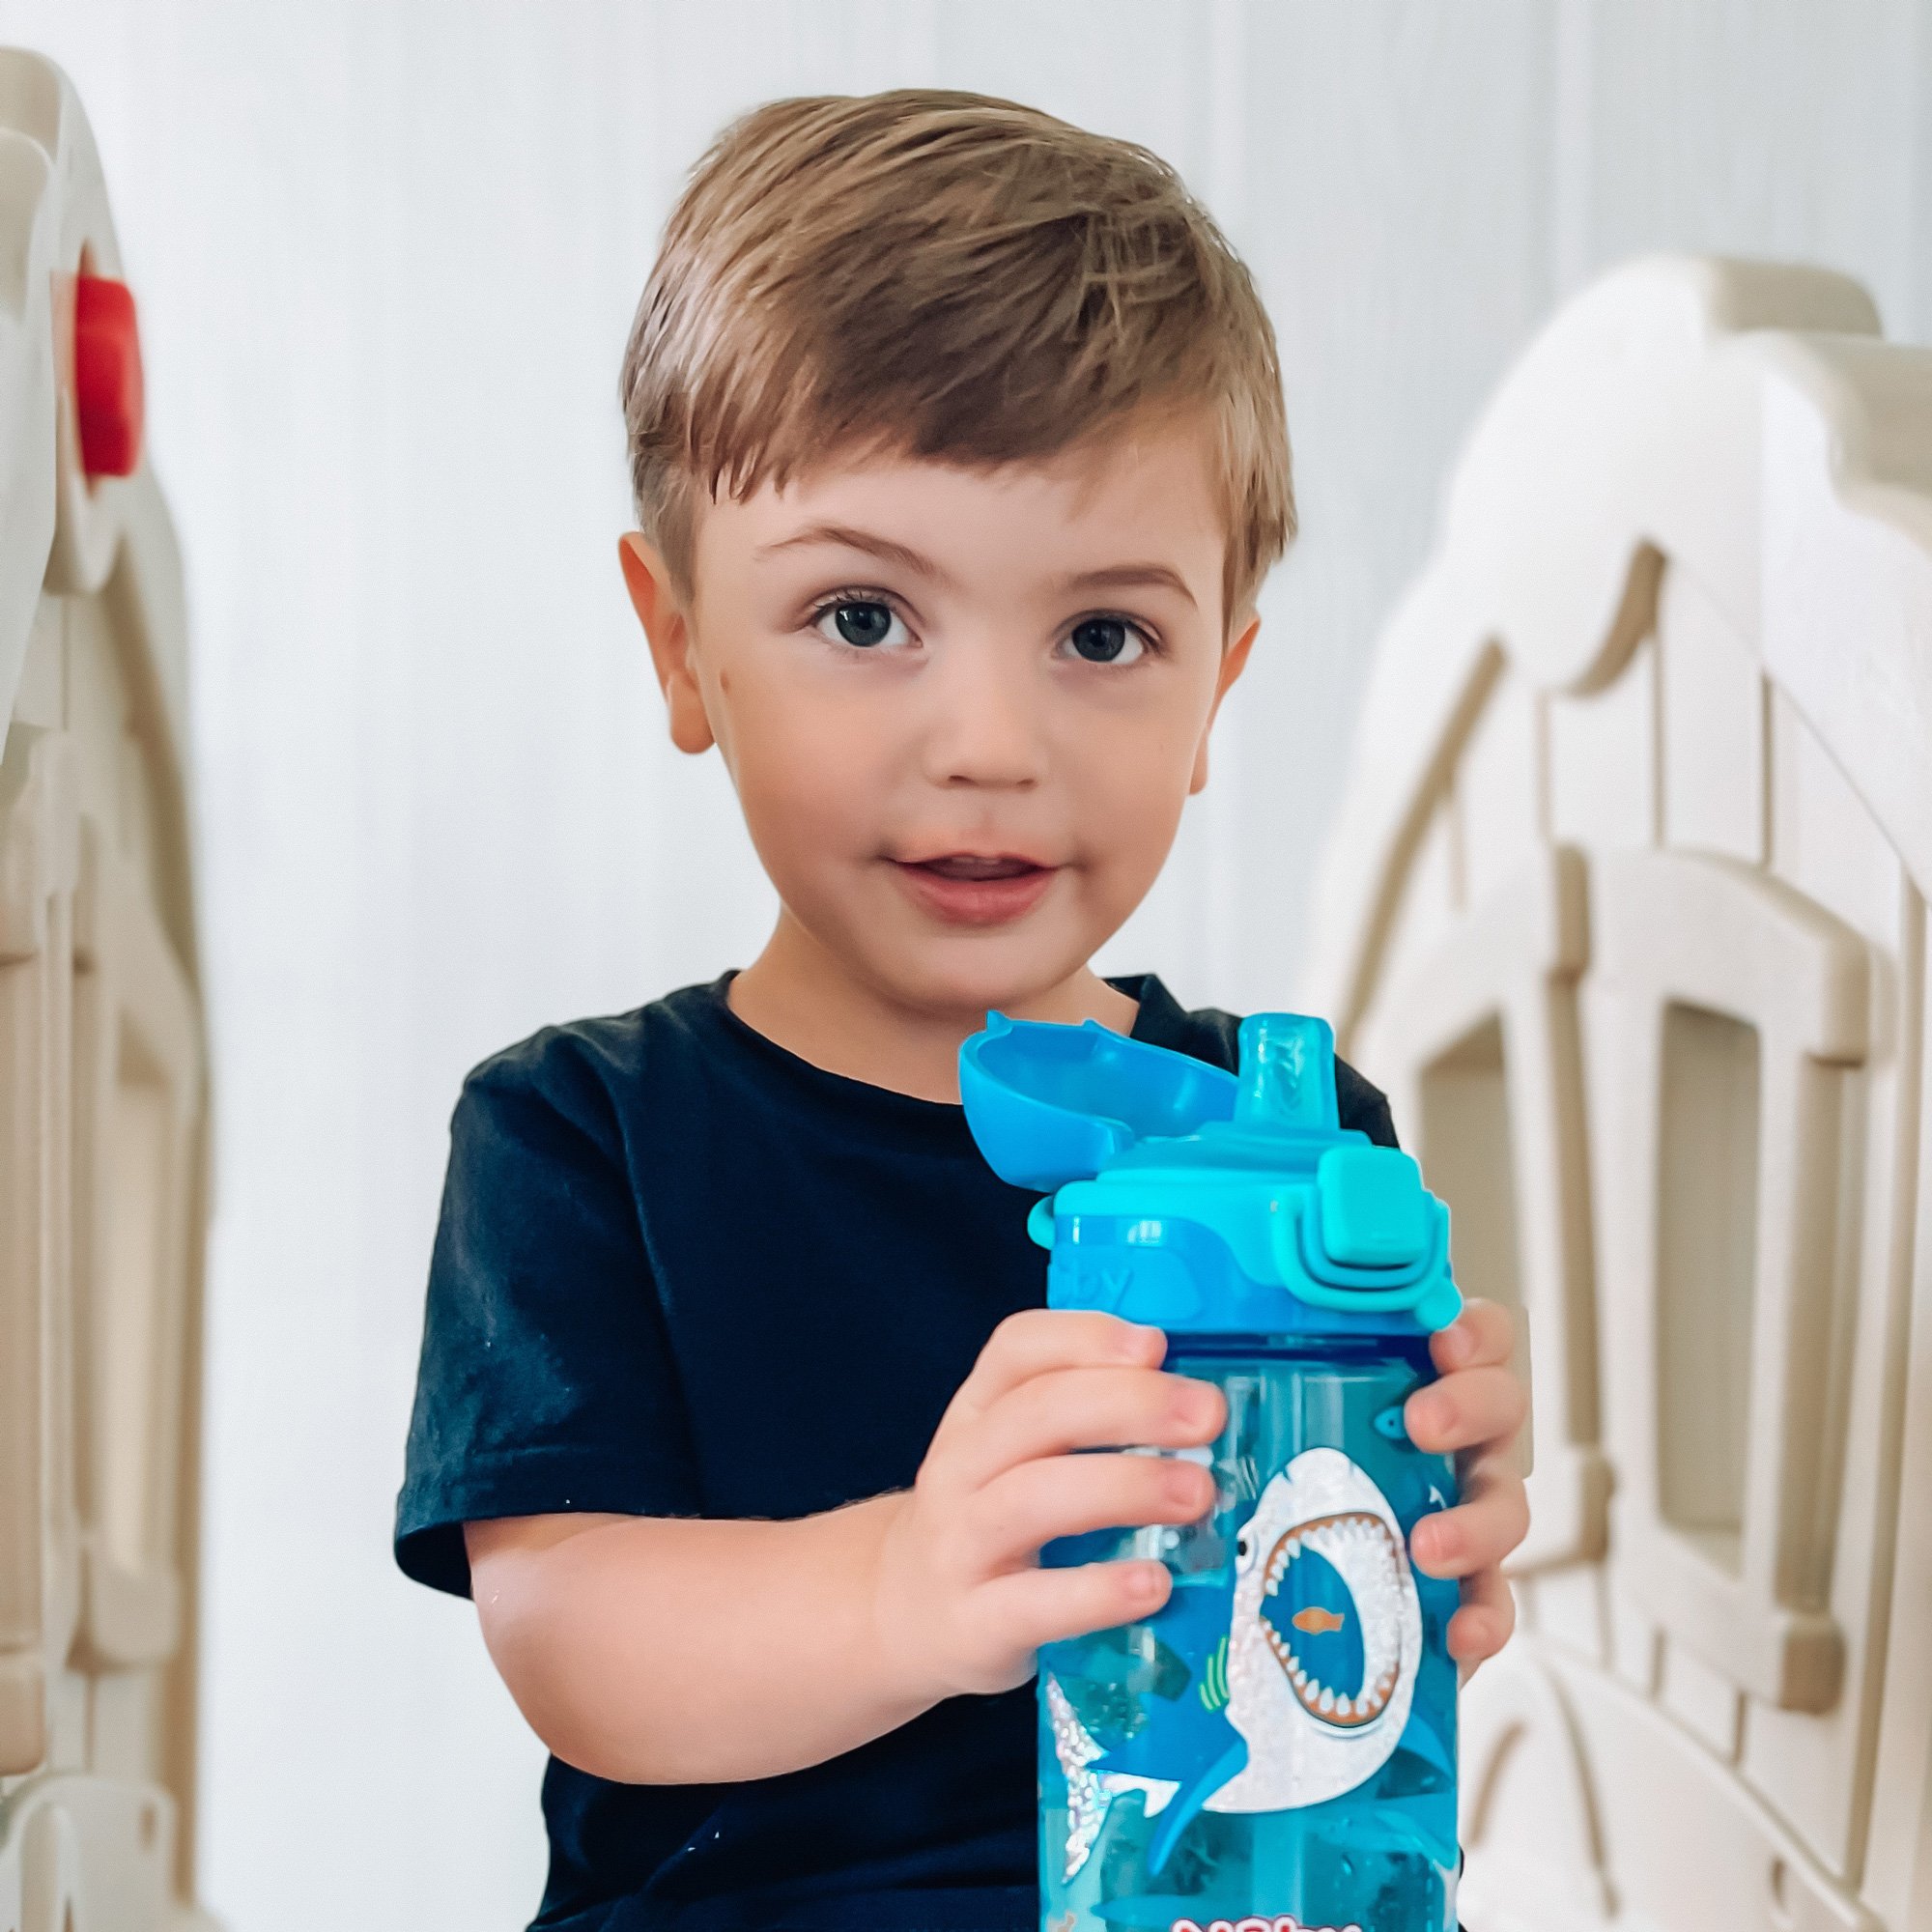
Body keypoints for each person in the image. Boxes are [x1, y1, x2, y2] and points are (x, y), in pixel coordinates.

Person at [395, 89, 1528, 1932]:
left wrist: (1436, 1543)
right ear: (681, 643)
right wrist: (910, 1588)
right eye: (863, 618)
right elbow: (571, 1637)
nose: (993, 748)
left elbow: (1337, 1656)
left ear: (1219, 681)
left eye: (1104, 639)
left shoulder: (1295, 1130)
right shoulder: (581, 1134)